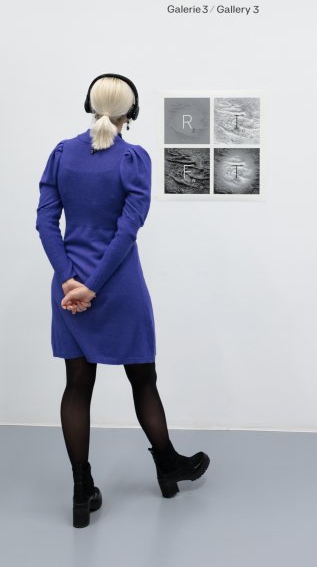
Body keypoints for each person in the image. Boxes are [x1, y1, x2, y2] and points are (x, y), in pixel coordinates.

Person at [35, 73, 210, 528]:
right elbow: (127, 229)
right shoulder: (133, 158)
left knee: (77, 386)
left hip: (69, 288)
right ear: (131, 113)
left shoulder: (61, 154)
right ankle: (168, 465)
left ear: (89, 105)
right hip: (118, 285)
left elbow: (45, 222)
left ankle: (81, 490)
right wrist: (93, 285)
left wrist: (70, 280)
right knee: (143, 380)